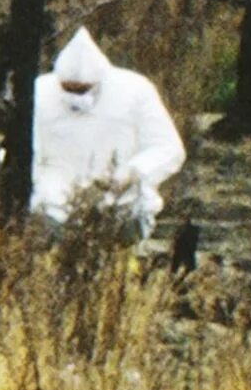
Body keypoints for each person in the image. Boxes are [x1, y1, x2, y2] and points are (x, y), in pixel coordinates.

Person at [31, 27, 187, 241]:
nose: (76, 96)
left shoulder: (135, 91)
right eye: (69, 89)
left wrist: (133, 171)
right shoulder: (39, 92)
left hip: (120, 204)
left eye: (82, 90)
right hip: (52, 205)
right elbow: (27, 150)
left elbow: (168, 148)